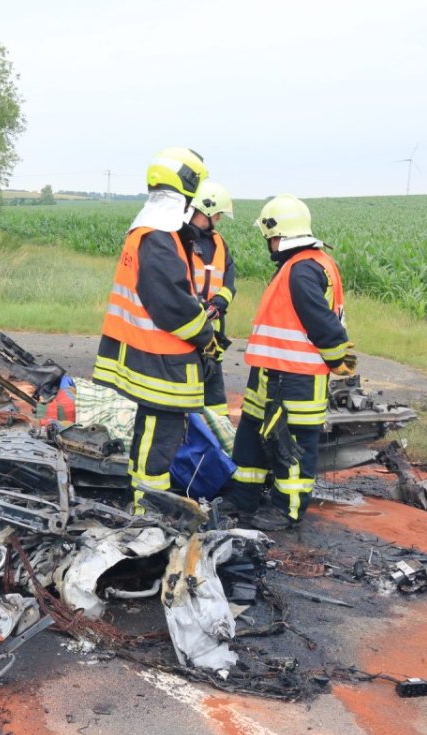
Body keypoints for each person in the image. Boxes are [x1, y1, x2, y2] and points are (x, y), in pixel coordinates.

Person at [91, 147, 217, 514]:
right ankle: (149, 510)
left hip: (146, 351)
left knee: (151, 430)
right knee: (161, 435)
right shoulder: (160, 237)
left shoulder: (150, 230)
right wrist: (206, 337)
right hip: (161, 357)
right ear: (187, 189)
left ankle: (141, 500)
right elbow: (174, 307)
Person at [226, 194, 354, 530]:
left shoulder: (300, 271)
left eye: (268, 237)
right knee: (252, 436)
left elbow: (323, 324)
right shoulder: (310, 264)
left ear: (277, 234)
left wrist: (339, 357)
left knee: (292, 447)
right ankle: (242, 499)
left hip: (295, 378)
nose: (268, 243)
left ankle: (288, 511)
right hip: (271, 374)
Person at [186, 179, 237, 417]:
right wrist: (197, 304)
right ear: (206, 210)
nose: (218, 220)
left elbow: (229, 282)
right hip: (186, 327)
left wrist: (218, 303)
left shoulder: (219, 244)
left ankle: (218, 435)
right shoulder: (180, 239)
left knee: (215, 396)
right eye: (217, 215)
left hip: (213, 334)